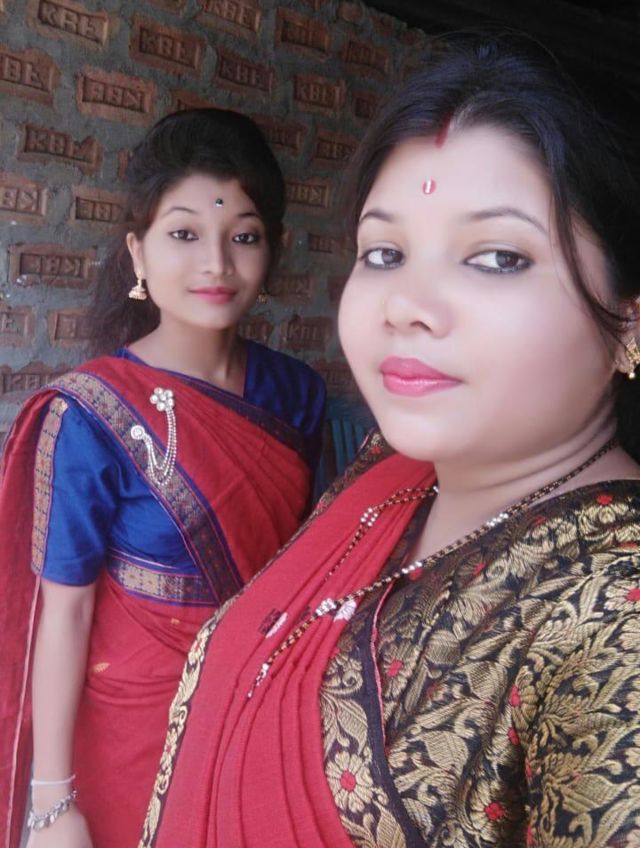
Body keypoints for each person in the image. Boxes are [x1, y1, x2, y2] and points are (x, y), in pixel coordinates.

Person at [139, 35, 640, 848]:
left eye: (497, 257)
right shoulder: (393, 473)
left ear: (628, 320)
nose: (405, 303)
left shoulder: (616, 616)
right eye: (384, 253)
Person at [0, 108, 325, 848]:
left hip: (260, 715)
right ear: (137, 252)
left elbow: (303, 572)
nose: (217, 264)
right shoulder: (92, 412)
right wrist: (52, 803)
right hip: (131, 730)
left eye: (243, 236)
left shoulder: (296, 395)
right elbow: (65, 612)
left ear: (271, 250)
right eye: (184, 234)